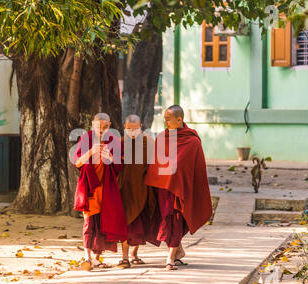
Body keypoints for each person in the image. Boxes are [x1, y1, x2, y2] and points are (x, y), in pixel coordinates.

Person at [144, 105, 213, 270]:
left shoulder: (192, 140)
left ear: (179, 119)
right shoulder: (162, 137)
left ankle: (170, 258)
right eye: (165, 119)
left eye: (169, 119)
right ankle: (178, 251)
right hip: (163, 187)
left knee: (175, 218)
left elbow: (195, 169)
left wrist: (178, 177)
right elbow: (156, 163)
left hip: (181, 188)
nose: (166, 122)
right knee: (166, 219)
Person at [73, 113, 127, 270]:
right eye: (98, 126)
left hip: (107, 189)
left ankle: (96, 258)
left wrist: (111, 158)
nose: (101, 130)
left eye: (105, 127)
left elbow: (119, 166)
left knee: (104, 223)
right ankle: (87, 257)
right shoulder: (86, 139)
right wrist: (91, 151)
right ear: (92, 124)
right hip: (90, 188)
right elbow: (77, 162)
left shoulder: (113, 141)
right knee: (89, 223)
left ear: (109, 125)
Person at [116, 115, 161, 269]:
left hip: (143, 189)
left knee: (141, 224)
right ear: (124, 127)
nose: (132, 132)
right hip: (124, 190)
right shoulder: (120, 143)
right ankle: (124, 257)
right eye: (128, 129)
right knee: (126, 223)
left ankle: (134, 254)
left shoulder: (148, 142)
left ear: (141, 126)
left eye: (135, 129)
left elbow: (154, 164)